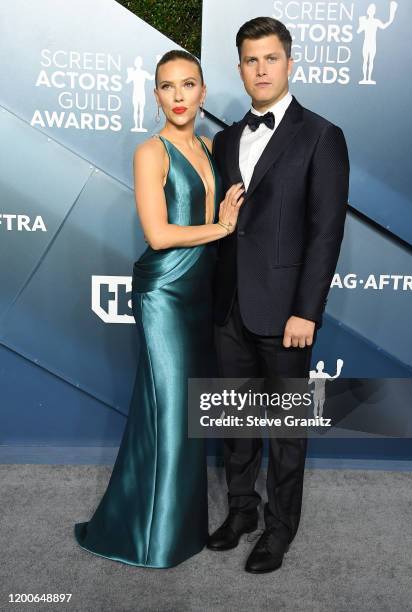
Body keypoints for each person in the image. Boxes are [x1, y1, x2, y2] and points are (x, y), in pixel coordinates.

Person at [74, 50, 244, 569]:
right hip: (164, 291)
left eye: (187, 84)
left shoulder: (210, 145)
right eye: (167, 87)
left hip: (201, 291)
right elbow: (159, 233)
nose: (177, 96)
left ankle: (178, 525)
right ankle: (151, 538)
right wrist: (222, 227)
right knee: (170, 409)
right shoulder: (152, 152)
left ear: (202, 92)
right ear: (155, 95)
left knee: (185, 411)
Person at [208, 17, 350, 573]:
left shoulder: (321, 135)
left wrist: (305, 311)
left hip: (287, 312)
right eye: (250, 59)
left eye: (270, 58)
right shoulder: (223, 139)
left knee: (287, 432)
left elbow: (325, 231)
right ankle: (241, 510)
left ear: (290, 63)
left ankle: (279, 530)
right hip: (229, 308)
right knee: (234, 422)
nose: (260, 69)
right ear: (239, 67)